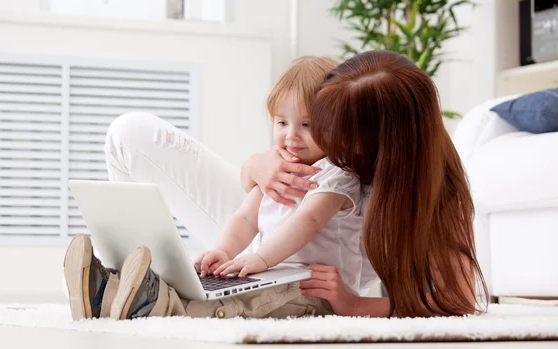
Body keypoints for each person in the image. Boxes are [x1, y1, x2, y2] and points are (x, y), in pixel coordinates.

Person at [63, 50, 487, 321]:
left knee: (243, 303)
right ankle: (123, 281)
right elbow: (252, 207)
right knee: (131, 132)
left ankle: (151, 300)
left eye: (328, 130)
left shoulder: (430, 191)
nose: (313, 144)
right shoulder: (327, 142)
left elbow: (459, 297)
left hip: (298, 269)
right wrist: (258, 166)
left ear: (379, 147)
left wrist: (360, 307)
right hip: (264, 243)